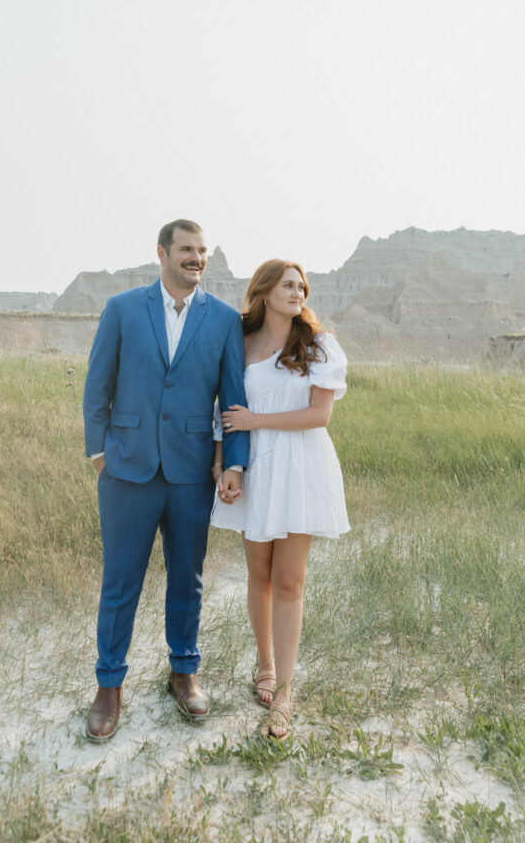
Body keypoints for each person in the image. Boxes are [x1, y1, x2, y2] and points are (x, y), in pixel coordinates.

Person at [82, 219, 249, 741]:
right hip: (127, 471)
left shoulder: (223, 320)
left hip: (191, 473)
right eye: (185, 250)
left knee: (187, 579)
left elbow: (233, 399)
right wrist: (99, 456)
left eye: (201, 251)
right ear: (162, 253)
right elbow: (96, 387)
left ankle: (184, 671)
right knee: (120, 583)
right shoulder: (123, 309)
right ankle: (109, 686)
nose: (195, 258)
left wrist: (235, 462)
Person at [211, 259, 349, 740]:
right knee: (260, 575)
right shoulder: (240, 343)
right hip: (256, 467)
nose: (299, 293)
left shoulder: (318, 345)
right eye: (289, 285)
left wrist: (256, 422)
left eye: (303, 287)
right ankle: (264, 664)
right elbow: (224, 408)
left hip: (301, 468)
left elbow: (319, 416)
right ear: (265, 292)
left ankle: (285, 693)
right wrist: (225, 462)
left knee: (290, 581)